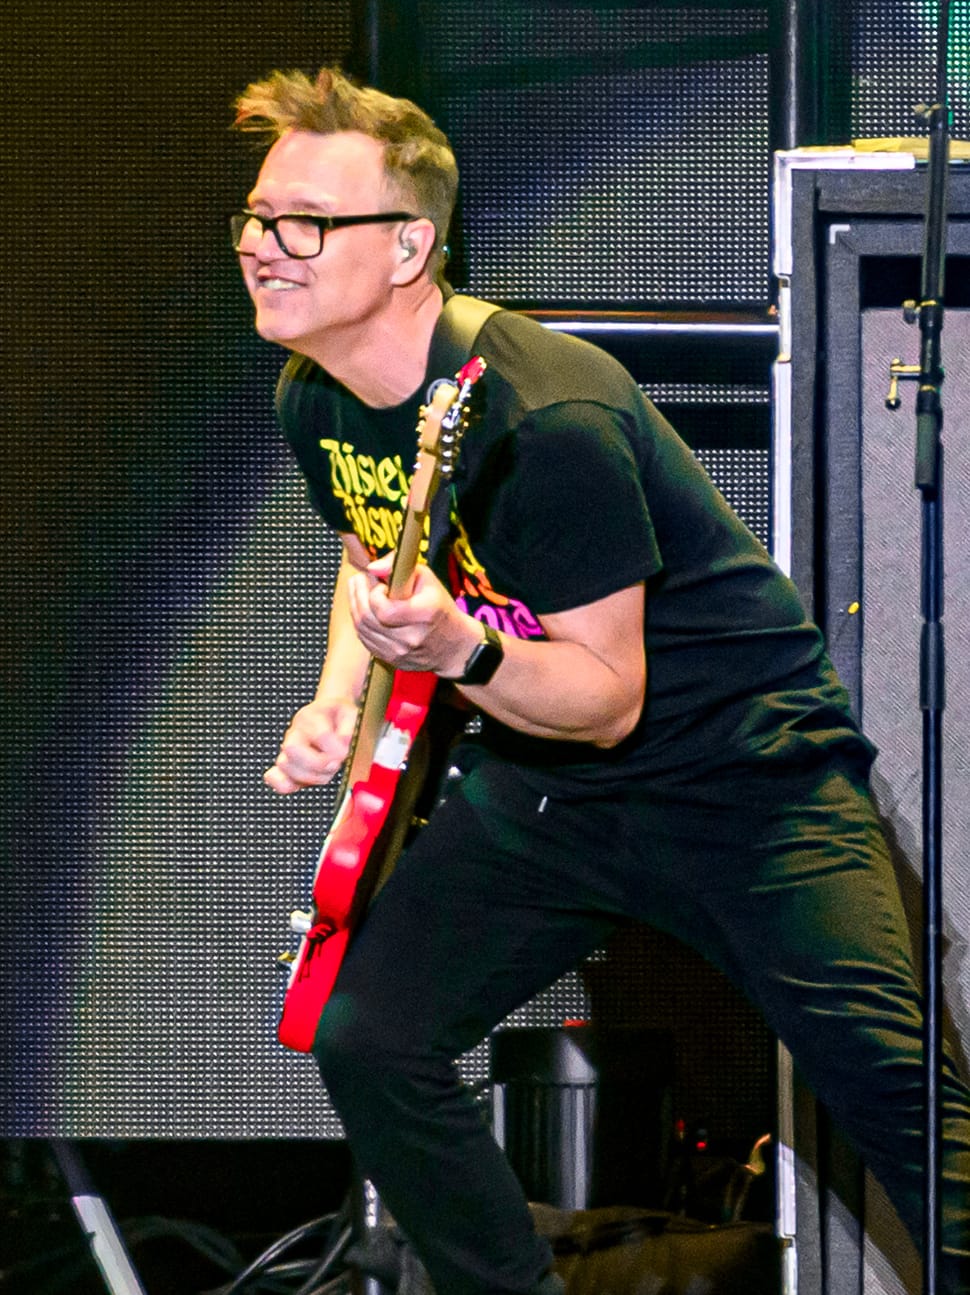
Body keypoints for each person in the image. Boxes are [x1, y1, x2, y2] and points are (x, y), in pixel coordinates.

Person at [230, 66, 970, 1295]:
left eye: (305, 221)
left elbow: (604, 695)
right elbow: (376, 546)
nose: (264, 246)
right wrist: (334, 699)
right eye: (257, 217)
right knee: (369, 1035)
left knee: (898, 1097)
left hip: (741, 782)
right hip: (550, 783)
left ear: (409, 246)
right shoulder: (318, 396)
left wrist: (457, 652)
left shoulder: (544, 419)